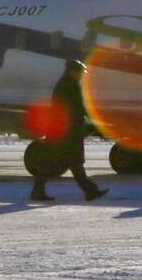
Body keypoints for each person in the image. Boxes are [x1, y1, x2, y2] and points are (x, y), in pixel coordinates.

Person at [32, 59, 106, 202]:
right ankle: (90, 191)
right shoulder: (68, 85)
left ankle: (90, 191)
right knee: (69, 162)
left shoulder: (68, 84)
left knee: (67, 162)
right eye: (79, 72)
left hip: (66, 130)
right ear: (72, 71)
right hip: (66, 131)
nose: (81, 75)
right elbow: (72, 109)